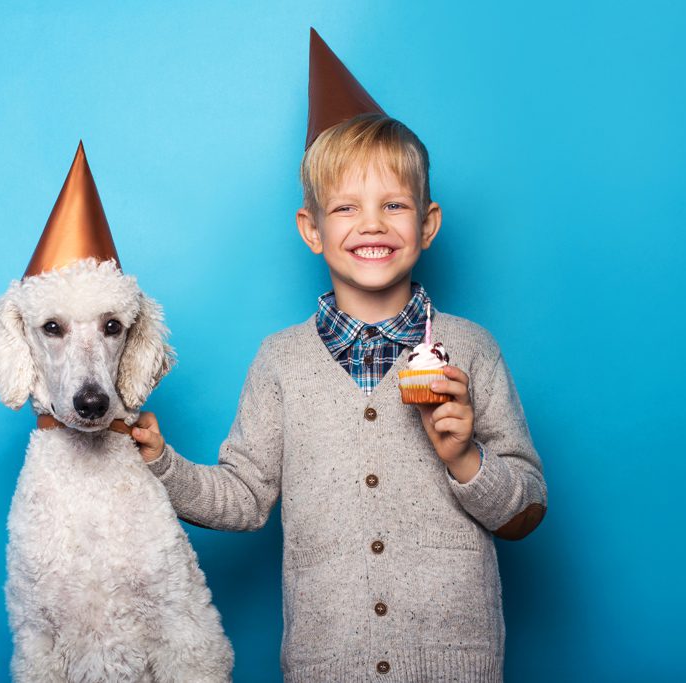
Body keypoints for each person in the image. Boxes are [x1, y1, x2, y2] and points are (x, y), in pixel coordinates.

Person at [132, 29, 546, 682]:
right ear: (312, 230)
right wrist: (161, 464)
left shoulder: (471, 349)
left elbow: (524, 510)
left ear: (427, 225)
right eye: (346, 207)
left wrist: (466, 458)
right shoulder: (280, 363)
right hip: (329, 665)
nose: (372, 223)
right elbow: (242, 497)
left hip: (455, 666)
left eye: (393, 205)